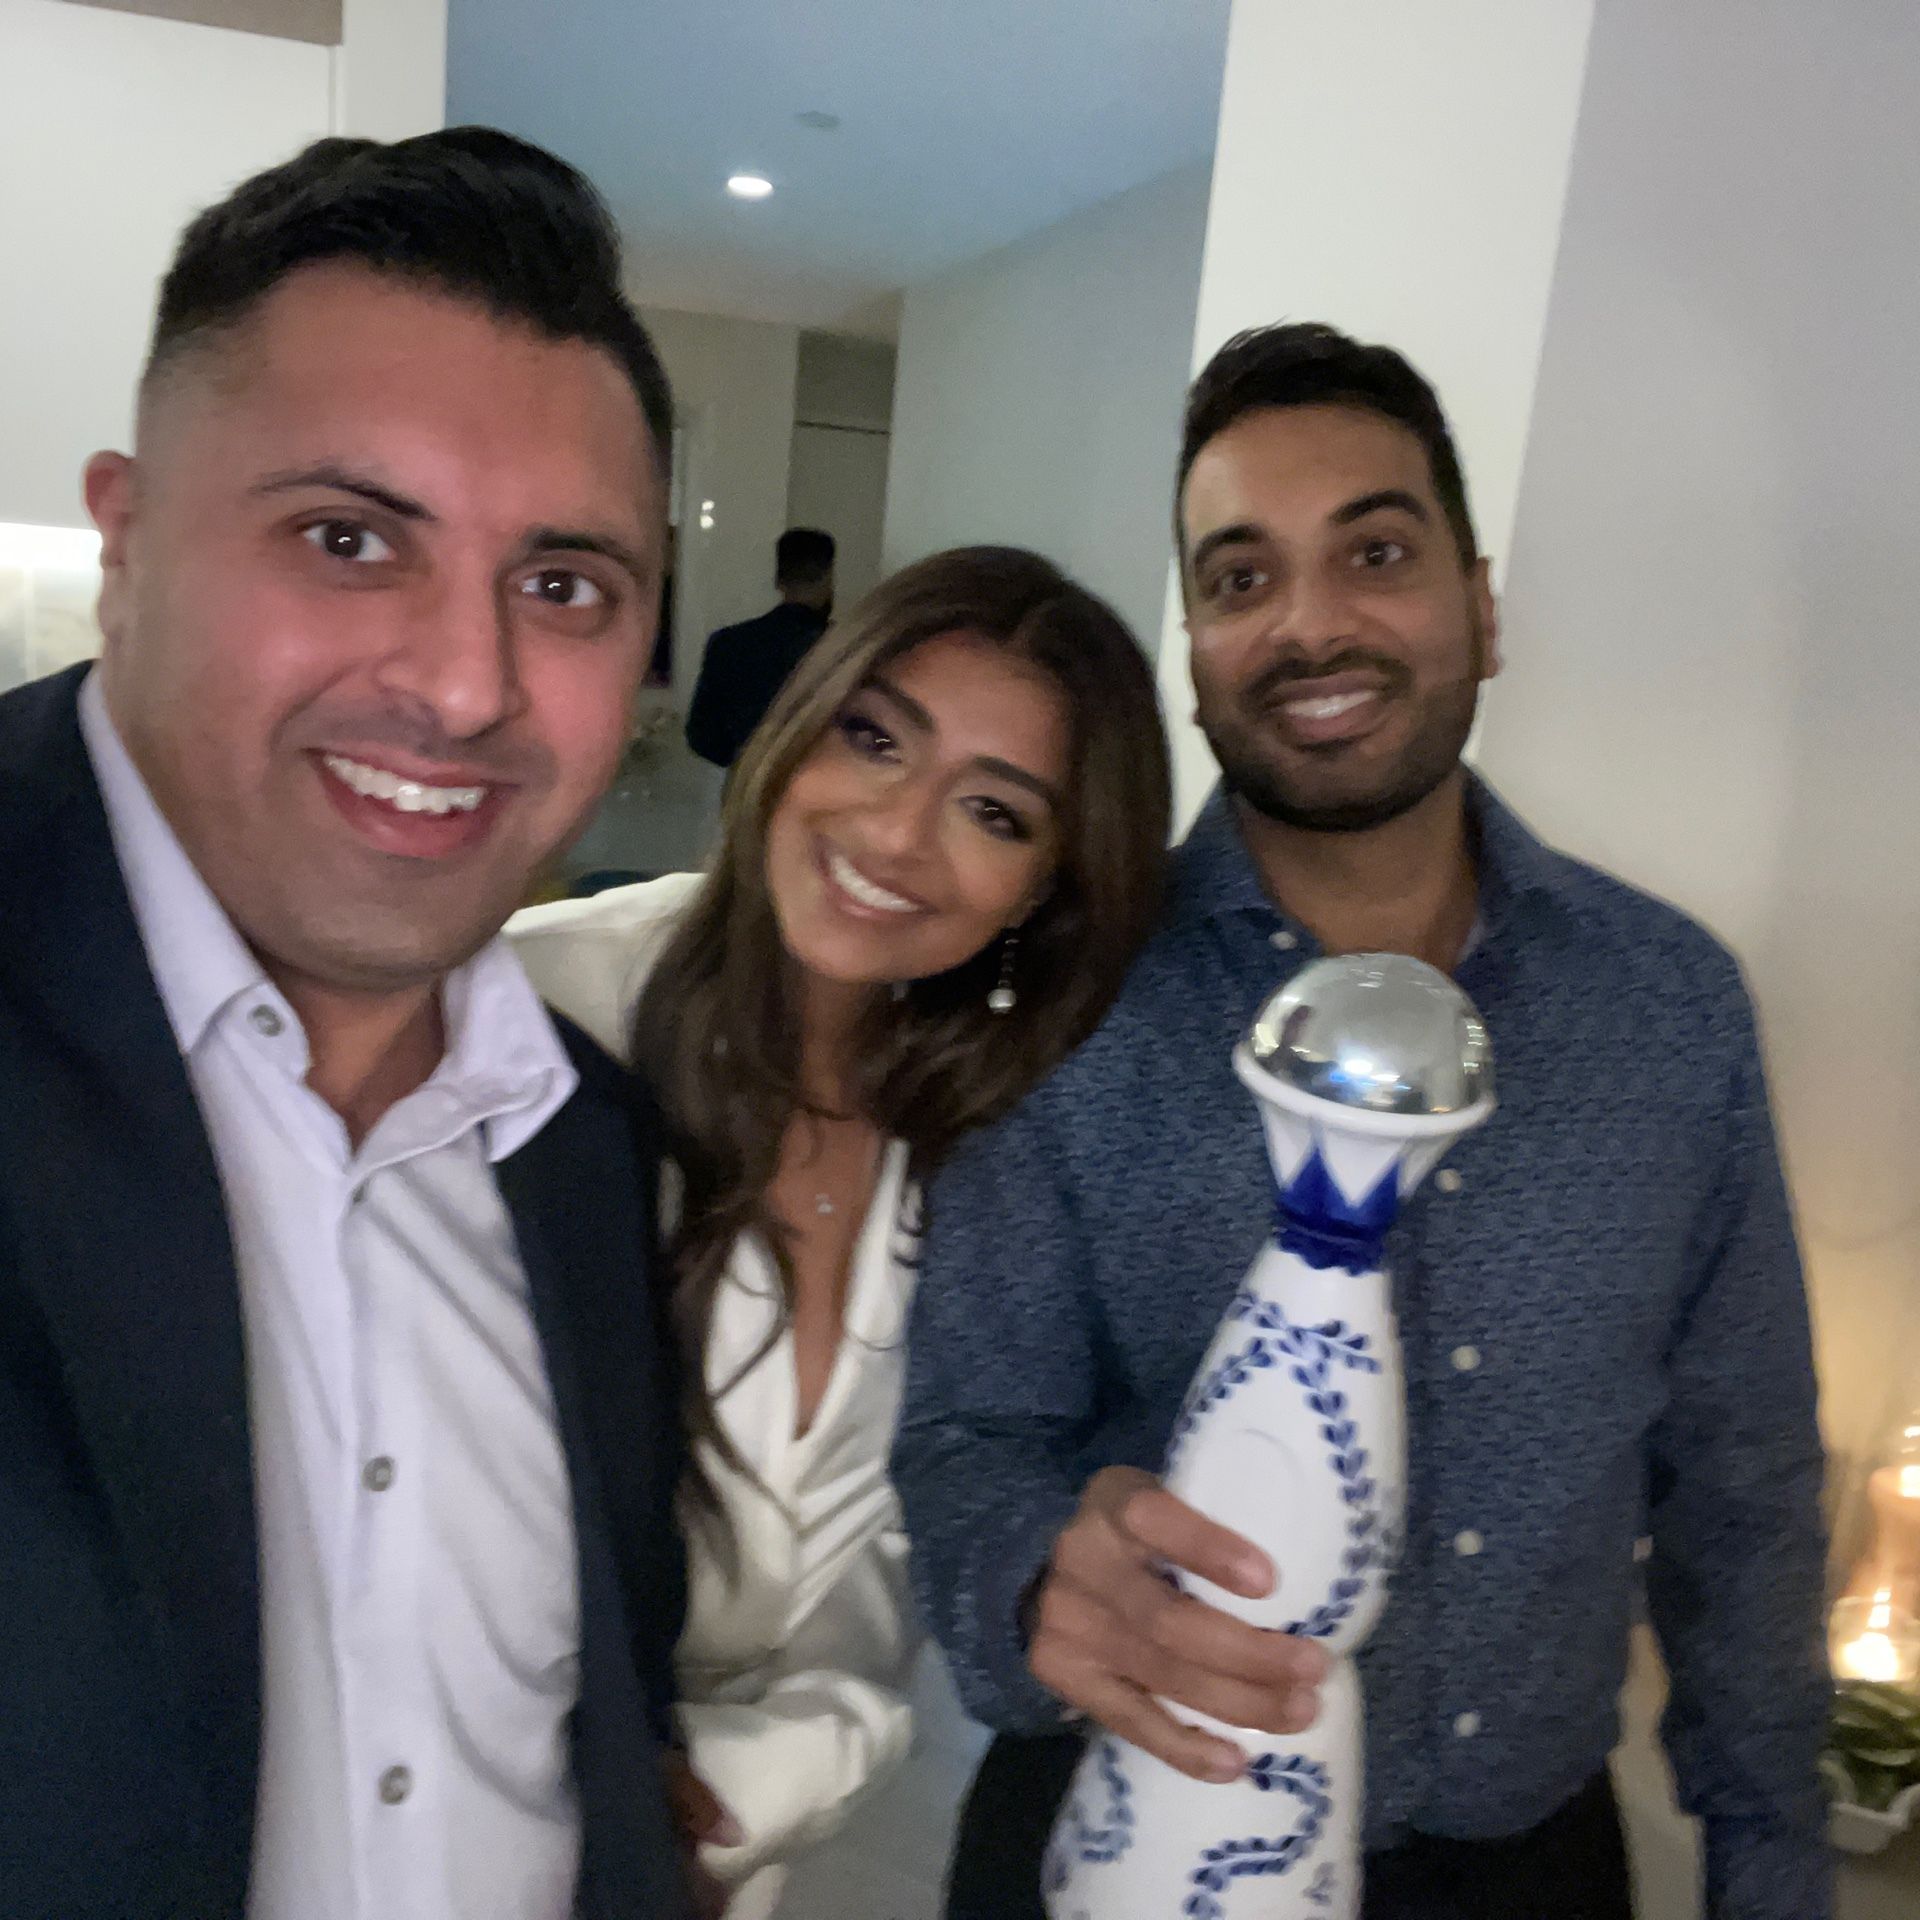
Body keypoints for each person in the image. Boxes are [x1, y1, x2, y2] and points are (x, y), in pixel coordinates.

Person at [895, 323, 1830, 1920]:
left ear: (1482, 605)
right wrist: (1034, 1576)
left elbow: (1741, 1487)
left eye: (1376, 553)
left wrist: (1773, 1866)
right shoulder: (1062, 995)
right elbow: (965, 1438)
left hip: (1526, 1868)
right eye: (1240, 577)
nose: (1310, 623)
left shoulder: (1672, 1011)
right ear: (1197, 647)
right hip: (1135, 1831)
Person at [0, 130, 696, 1920]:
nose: (465, 685)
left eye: (564, 585)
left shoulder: (589, 1139)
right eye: (348, 538)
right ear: (127, 539)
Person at [509, 545, 1172, 1919]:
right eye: (874, 740)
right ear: (797, 725)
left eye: (993, 811)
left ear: (1043, 887)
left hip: (738, 1848)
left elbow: (878, 1566)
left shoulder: (990, 1135)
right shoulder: (534, 1014)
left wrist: (743, 1794)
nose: (896, 832)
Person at [686, 527, 837, 767]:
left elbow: (701, 737)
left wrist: (750, 761)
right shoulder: (842, 647)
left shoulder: (728, 644)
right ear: (827, 578)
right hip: (817, 780)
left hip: (747, 780)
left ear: (778, 580)